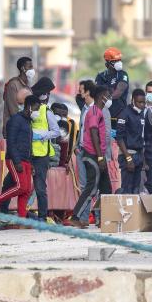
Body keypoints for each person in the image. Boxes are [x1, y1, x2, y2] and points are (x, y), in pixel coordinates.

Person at [69, 86, 111, 228]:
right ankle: (76, 216)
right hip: (93, 155)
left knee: (106, 189)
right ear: (100, 96)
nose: (108, 99)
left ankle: (104, 219)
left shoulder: (98, 111)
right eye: (107, 96)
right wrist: (100, 157)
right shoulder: (93, 112)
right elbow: (93, 133)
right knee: (91, 188)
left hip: (99, 155)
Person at [0, 95, 39, 219]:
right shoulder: (15, 120)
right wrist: (17, 161)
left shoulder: (28, 122)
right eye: (36, 109)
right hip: (15, 159)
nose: (37, 112)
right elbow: (11, 141)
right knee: (21, 186)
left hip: (26, 159)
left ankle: (22, 217)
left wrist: (31, 164)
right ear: (29, 106)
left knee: (26, 190)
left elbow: (28, 144)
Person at [30, 77, 60, 221]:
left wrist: (41, 136)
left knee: (40, 188)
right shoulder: (29, 109)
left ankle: (42, 217)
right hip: (27, 153)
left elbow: (56, 132)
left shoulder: (47, 111)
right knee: (17, 184)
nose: (48, 96)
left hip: (41, 155)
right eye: (47, 93)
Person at [116, 89, 146, 194]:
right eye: (139, 102)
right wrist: (128, 159)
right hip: (127, 155)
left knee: (136, 189)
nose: (142, 105)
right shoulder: (124, 114)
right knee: (127, 189)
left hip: (138, 156)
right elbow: (119, 137)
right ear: (133, 100)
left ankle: (134, 210)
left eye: (144, 102)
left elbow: (141, 138)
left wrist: (143, 159)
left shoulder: (141, 114)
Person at [74, 80, 96, 223]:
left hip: (92, 152)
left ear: (88, 91)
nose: (79, 92)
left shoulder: (99, 109)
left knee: (95, 186)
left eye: (81, 89)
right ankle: (83, 218)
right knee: (83, 186)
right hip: (81, 150)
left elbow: (104, 134)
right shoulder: (84, 109)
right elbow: (81, 128)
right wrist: (76, 145)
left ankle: (99, 216)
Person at [95, 47, 129, 129]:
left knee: (116, 140)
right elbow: (97, 93)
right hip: (103, 115)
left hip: (119, 116)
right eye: (115, 61)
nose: (119, 63)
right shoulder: (101, 76)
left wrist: (109, 98)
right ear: (107, 64)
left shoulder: (123, 74)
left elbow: (120, 90)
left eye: (119, 60)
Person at [2, 57, 35, 136]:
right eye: (30, 67)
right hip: (14, 129)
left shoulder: (27, 86)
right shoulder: (13, 84)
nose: (32, 70)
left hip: (25, 128)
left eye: (32, 67)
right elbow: (13, 110)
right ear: (23, 68)